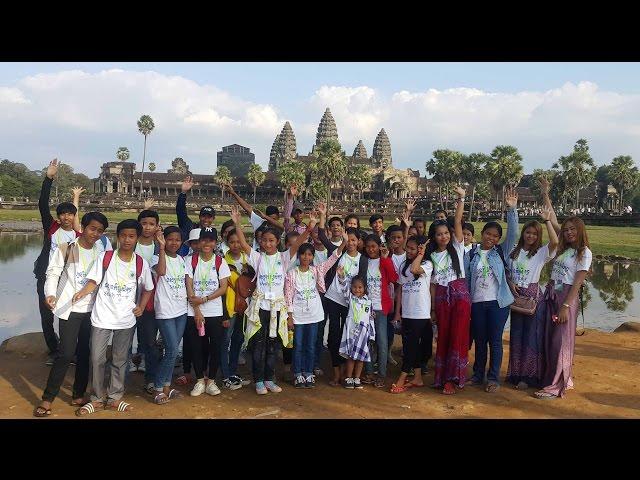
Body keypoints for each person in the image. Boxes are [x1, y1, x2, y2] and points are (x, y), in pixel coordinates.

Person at [72, 219, 155, 415]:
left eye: (131, 236)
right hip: (102, 317)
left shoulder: (140, 262)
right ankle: (97, 398)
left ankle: (115, 397)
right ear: (118, 237)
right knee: (96, 358)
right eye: (124, 235)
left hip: (126, 320)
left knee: (120, 360)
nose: (127, 240)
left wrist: (141, 307)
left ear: (136, 239)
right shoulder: (105, 257)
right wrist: (82, 292)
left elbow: (148, 289)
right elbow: (93, 281)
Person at [229, 205, 313, 395]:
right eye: (265, 241)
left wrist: (309, 228)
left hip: (277, 309)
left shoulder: (284, 258)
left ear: (277, 242)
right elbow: (243, 244)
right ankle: (259, 380)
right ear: (261, 242)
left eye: (272, 241)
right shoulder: (257, 258)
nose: (268, 244)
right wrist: (237, 224)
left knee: (273, 346)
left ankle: (269, 378)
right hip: (260, 308)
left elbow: (298, 244)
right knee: (258, 346)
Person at [33, 212, 110, 417]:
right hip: (69, 308)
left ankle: (77, 394)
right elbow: (53, 273)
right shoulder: (68, 248)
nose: (95, 234)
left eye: (100, 231)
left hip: (92, 310)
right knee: (66, 353)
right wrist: (50, 294)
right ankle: (48, 398)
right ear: (82, 227)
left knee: (85, 353)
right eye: (92, 229)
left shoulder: (100, 252)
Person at [465, 187, 519, 393]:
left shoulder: (501, 252)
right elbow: (468, 278)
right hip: (477, 303)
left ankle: (493, 378)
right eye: (489, 233)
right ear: (482, 233)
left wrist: (511, 210)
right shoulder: (472, 254)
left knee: (495, 341)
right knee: (480, 340)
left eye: (496, 236)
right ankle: (478, 374)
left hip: (498, 303)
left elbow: (513, 234)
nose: (492, 238)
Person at [535, 217, 592, 400]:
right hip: (553, 291)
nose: (568, 232)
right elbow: (550, 217)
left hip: (566, 296)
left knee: (561, 341)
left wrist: (565, 306)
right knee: (549, 339)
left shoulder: (584, 252)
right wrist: (544, 193)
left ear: (580, 230)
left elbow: (577, 283)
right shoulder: (566, 248)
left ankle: (556, 386)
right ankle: (558, 378)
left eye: (573, 229)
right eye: (566, 230)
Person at [506, 206, 559, 390]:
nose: (531, 236)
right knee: (516, 336)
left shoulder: (540, 253)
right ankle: (515, 373)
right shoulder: (514, 250)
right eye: (528, 232)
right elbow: (507, 270)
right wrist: (510, 282)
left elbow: (554, 242)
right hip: (516, 296)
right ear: (523, 233)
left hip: (532, 298)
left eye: (535, 234)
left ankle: (528, 377)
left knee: (530, 338)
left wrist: (547, 220)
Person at [34, 159, 81, 364]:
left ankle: (69, 351)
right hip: (47, 276)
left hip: (70, 280)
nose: (66, 217)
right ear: (59, 216)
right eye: (63, 214)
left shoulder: (80, 235)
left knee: (70, 316)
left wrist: (76, 198)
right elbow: (42, 203)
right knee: (46, 315)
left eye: (70, 214)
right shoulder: (52, 228)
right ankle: (54, 350)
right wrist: (48, 178)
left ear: (74, 216)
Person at [285, 233, 346, 388]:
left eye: (310, 255)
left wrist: (344, 242)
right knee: (298, 345)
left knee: (311, 345)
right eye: (303, 254)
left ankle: (309, 373)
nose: (306, 257)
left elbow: (333, 258)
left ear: (313, 257)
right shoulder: (291, 274)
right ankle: (298, 373)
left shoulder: (316, 271)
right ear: (298, 256)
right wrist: (289, 316)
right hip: (298, 316)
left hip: (314, 314)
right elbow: (288, 296)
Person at [318, 203, 368, 387]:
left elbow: (363, 283)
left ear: (359, 242)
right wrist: (323, 215)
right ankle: (336, 372)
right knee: (333, 334)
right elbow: (322, 236)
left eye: (354, 240)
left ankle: (350, 373)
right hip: (333, 298)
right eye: (349, 240)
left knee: (348, 337)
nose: (352, 244)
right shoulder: (337, 253)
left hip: (351, 304)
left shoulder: (362, 259)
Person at [427, 187, 470, 394]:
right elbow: (433, 285)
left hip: (460, 295)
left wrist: (461, 198)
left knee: (458, 335)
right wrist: (433, 309)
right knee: (443, 336)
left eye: (446, 233)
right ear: (434, 237)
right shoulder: (433, 256)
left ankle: (453, 379)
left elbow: (458, 221)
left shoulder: (458, 248)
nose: (443, 236)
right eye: (439, 234)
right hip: (443, 297)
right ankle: (442, 376)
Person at [185, 228, 231, 397]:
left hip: (215, 311)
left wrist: (204, 300)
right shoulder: (190, 261)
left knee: (216, 347)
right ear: (199, 241)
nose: (206, 244)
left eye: (211, 240)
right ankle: (199, 380)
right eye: (203, 240)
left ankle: (211, 380)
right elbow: (188, 285)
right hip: (194, 312)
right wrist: (197, 310)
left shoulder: (220, 262)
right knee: (196, 347)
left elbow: (223, 287)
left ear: (215, 243)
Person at [390, 236, 434, 393]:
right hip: (407, 313)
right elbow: (400, 290)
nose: (409, 251)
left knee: (410, 347)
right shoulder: (403, 265)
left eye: (413, 248)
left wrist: (420, 255)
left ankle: (401, 379)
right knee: (410, 346)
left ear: (421, 250)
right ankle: (417, 378)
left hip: (420, 313)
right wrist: (397, 313)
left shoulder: (427, 264)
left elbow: (415, 269)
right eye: (407, 247)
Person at [150, 226, 188, 404]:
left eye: (177, 240)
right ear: (164, 239)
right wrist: (162, 248)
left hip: (181, 310)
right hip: (165, 311)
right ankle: (158, 388)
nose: (174, 243)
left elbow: (186, 283)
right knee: (172, 350)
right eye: (170, 239)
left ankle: (166, 386)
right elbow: (162, 271)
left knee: (172, 350)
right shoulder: (155, 257)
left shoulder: (182, 259)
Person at [361, 234, 399, 389]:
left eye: (374, 246)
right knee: (368, 341)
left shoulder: (383, 261)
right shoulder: (363, 262)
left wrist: (385, 259)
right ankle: (369, 371)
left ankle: (382, 374)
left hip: (381, 308)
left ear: (379, 247)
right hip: (366, 309)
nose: (371, 249)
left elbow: (393, 278)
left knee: (382, 342)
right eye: (368, 246)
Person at [133, 209, 161, 390]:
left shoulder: (159, 246)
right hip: (129, 296)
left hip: (152, 298)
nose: (147, 227)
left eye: (151, 224)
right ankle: (131, 361)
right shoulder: (130, 242)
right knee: (127, 335)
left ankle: (150, 377)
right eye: (144, 223)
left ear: (157, 226)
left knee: (150, 338)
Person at [220, 228, 251, 389]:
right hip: (229, 308)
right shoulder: (223, 262)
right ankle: (225, 375)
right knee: (225, 341)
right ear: (227, 243)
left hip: (244, 308)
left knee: (238, 340)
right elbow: (222, 291)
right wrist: (224, 315)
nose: (236, 245)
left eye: (239, 241)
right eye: (232, 242)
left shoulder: (249, 260)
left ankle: (232, 371)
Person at [336, 271, 375, 389]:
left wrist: (372, 335)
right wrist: (342, 277)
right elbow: (344, 288)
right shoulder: (350, 298)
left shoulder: (368, 301)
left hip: (363, 333)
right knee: (351, 356)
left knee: (361, 357)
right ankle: (349, 377)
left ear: (364, 288)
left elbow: (370, 318)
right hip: (352, 332)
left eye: (360, 287)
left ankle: (357, 378)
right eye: (354, 287)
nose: (357, 290)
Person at [224, 182, 284, 250]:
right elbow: (247, 208)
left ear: (278, 217)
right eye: (269, 218)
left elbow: (282, 226)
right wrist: (233, 193)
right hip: (257, 256)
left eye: (274, 219)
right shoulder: (260, 222)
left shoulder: (279, 228)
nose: (271, 221)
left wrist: (265, 217)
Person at [176, 175, 217, 256]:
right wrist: (183, 193)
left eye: (209, 217)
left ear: (213, 219)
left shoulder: (212, 233)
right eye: (204, 216)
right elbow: (181, 211)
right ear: (199, 217)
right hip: (186, 261)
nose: (206, 219)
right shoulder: (189, 226)